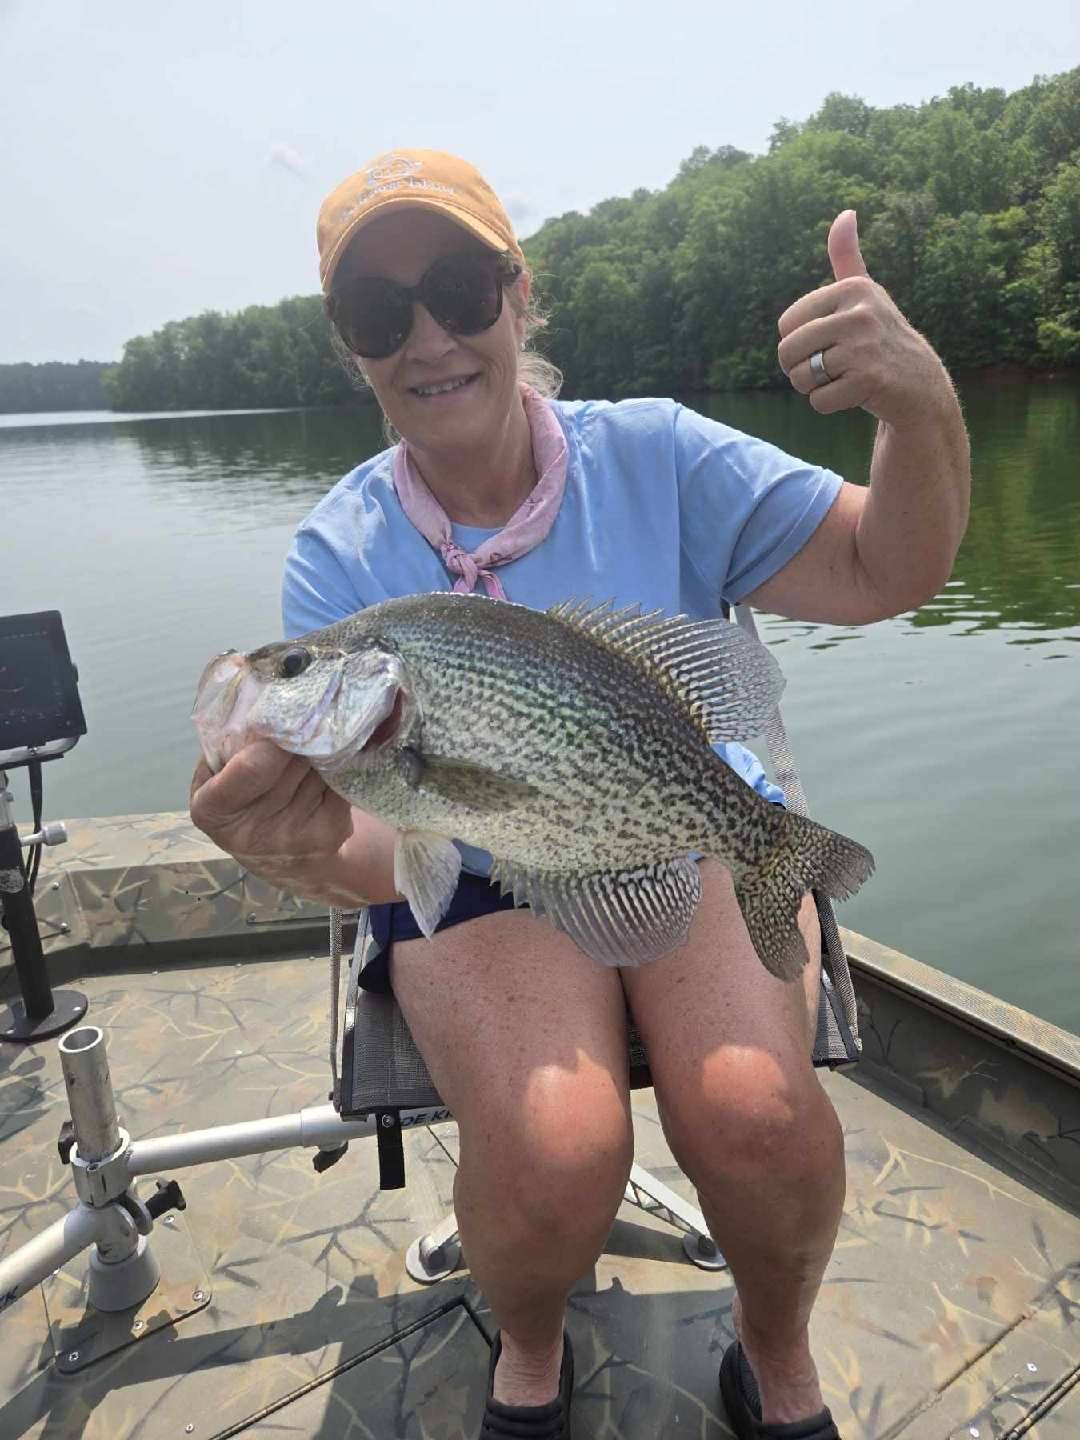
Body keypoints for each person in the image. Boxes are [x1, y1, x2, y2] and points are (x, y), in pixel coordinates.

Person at [190, 148, 970, 1440]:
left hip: (673, 817)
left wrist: (923, 412)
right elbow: (392, 844)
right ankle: (531, 1352)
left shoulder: (657, 455)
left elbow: (889, 562)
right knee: (557, 1147)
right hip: (474, 846)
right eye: (382, 315)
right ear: (352, 350)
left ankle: (775, 1364)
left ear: (519, 295)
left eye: (457, 288)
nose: (430, 335)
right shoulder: (341, 557)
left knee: (759, 1116)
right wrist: (314, 845)